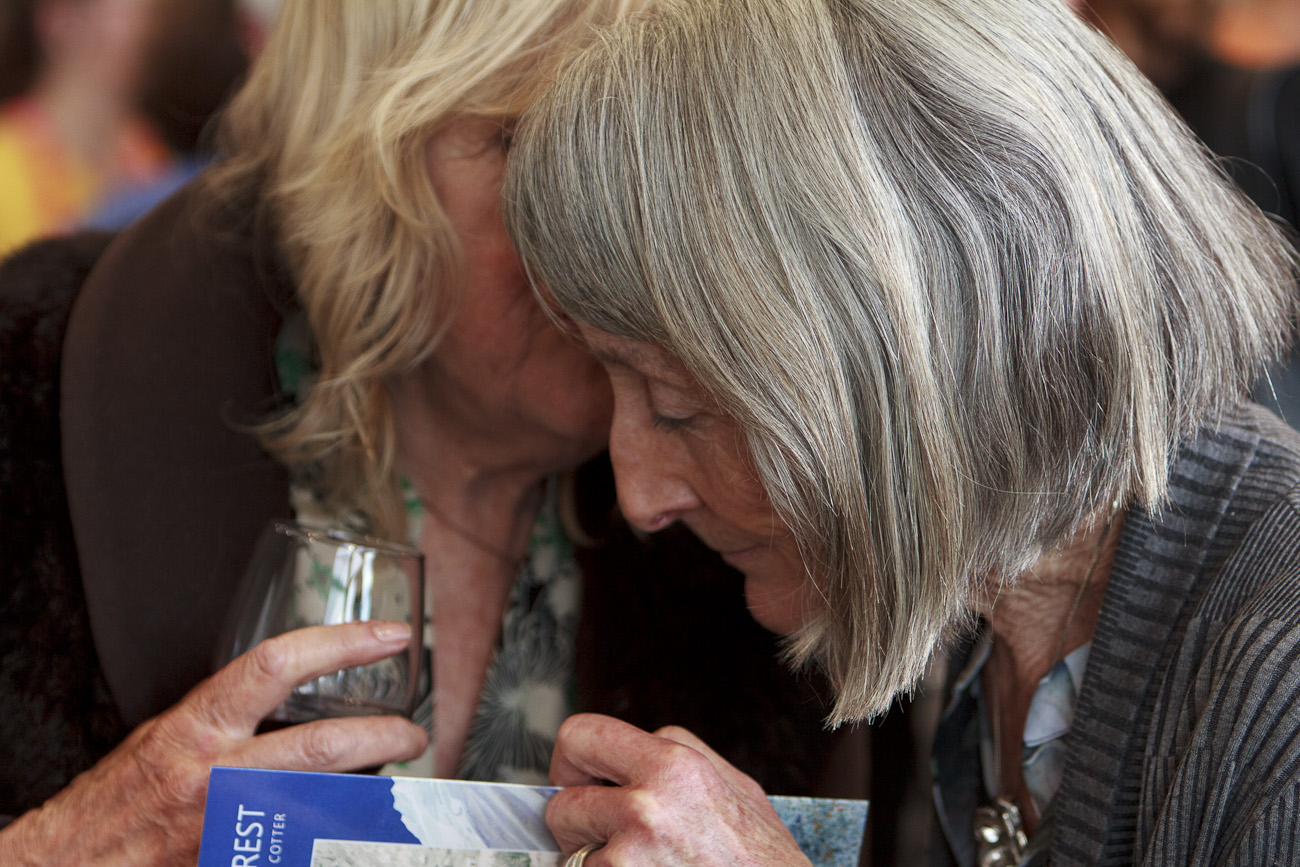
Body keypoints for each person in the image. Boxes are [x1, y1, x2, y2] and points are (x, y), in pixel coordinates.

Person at [0, 0, 858, 862]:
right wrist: (59, 846)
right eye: (537, 146)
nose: (613, 231)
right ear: (368, 157)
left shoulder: (771, 516)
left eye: (651, 161)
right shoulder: (30, 375)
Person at [503, 0, 1300, 863]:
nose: (640, 494)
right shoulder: (961, 618)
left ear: (922, 373)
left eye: (679, 405)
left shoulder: (1278, 678)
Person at [0, 0, 174, 255]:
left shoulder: (155, 161)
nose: (153, 29)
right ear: (60, 19)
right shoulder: (6, 165)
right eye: (141, 12)